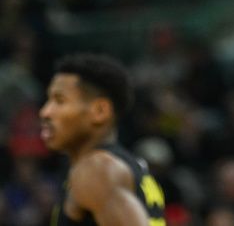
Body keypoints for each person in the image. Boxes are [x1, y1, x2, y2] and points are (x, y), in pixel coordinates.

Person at [39, 53, 166, 226]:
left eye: (60, 101)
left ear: (100, 111)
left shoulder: (98, 169)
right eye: (49, 100)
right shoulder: (124, 166)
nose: (45, 112)